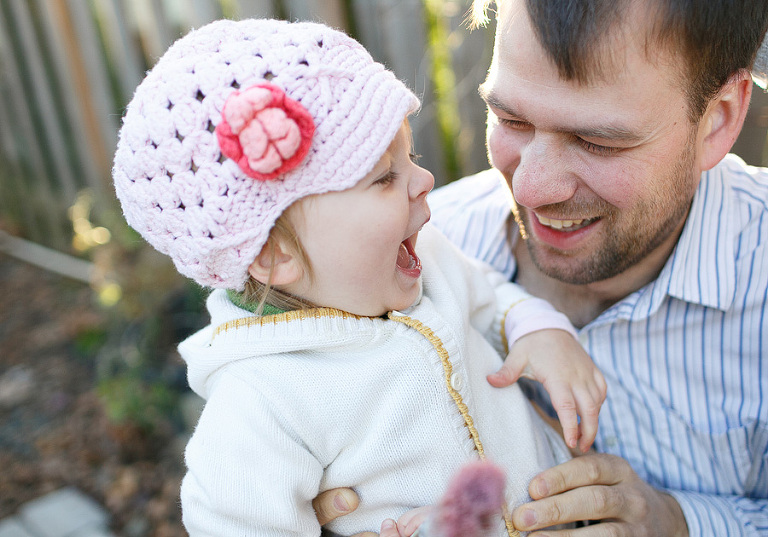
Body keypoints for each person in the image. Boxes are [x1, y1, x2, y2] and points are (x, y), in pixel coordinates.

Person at [111, 18, 607, 537]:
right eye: (385, 177)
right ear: (276, 254)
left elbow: (489, 296)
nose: (425, 180)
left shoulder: (427, 259)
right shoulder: (264, 401)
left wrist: (538, 330)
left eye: (409, 156)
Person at [315, 0, 768, 535]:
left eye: (597, 142)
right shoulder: (400, 261)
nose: (530, 188)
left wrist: (679, 522)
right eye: (511, 120)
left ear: (718, 120)